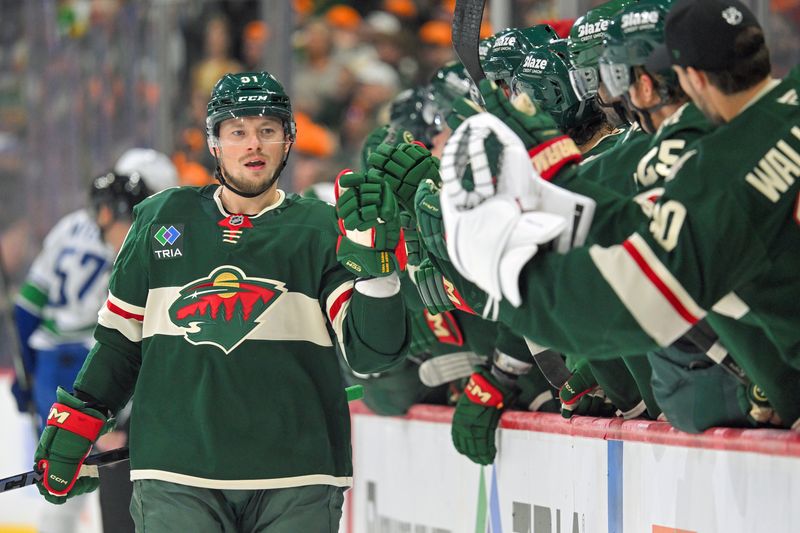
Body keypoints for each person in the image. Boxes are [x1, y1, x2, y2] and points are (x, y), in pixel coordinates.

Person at [32, 71, 409, 531]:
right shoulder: (161, 218)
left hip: (298, 474)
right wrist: (79, 417)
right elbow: (119, 343)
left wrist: (378, 271)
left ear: (287, 140)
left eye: (267, 131)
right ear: (215, 143)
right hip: (176, 473)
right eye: (238, 132)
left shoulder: (321, 228)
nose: (254, 145)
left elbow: (373, 356)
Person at [438, 0, 800, 425]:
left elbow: (623, 309)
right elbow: (643, 216)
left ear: (694, 79)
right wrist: (562, 180)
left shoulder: (722, 179)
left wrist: (498, 281)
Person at [11, 171, 151, 533]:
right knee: (109, 476)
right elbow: (126, 338)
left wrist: (25, 375)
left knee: (63, 477)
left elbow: (26, 309)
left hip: (50, 366)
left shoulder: (70, 225)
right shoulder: (140, 240)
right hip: (96, 361)